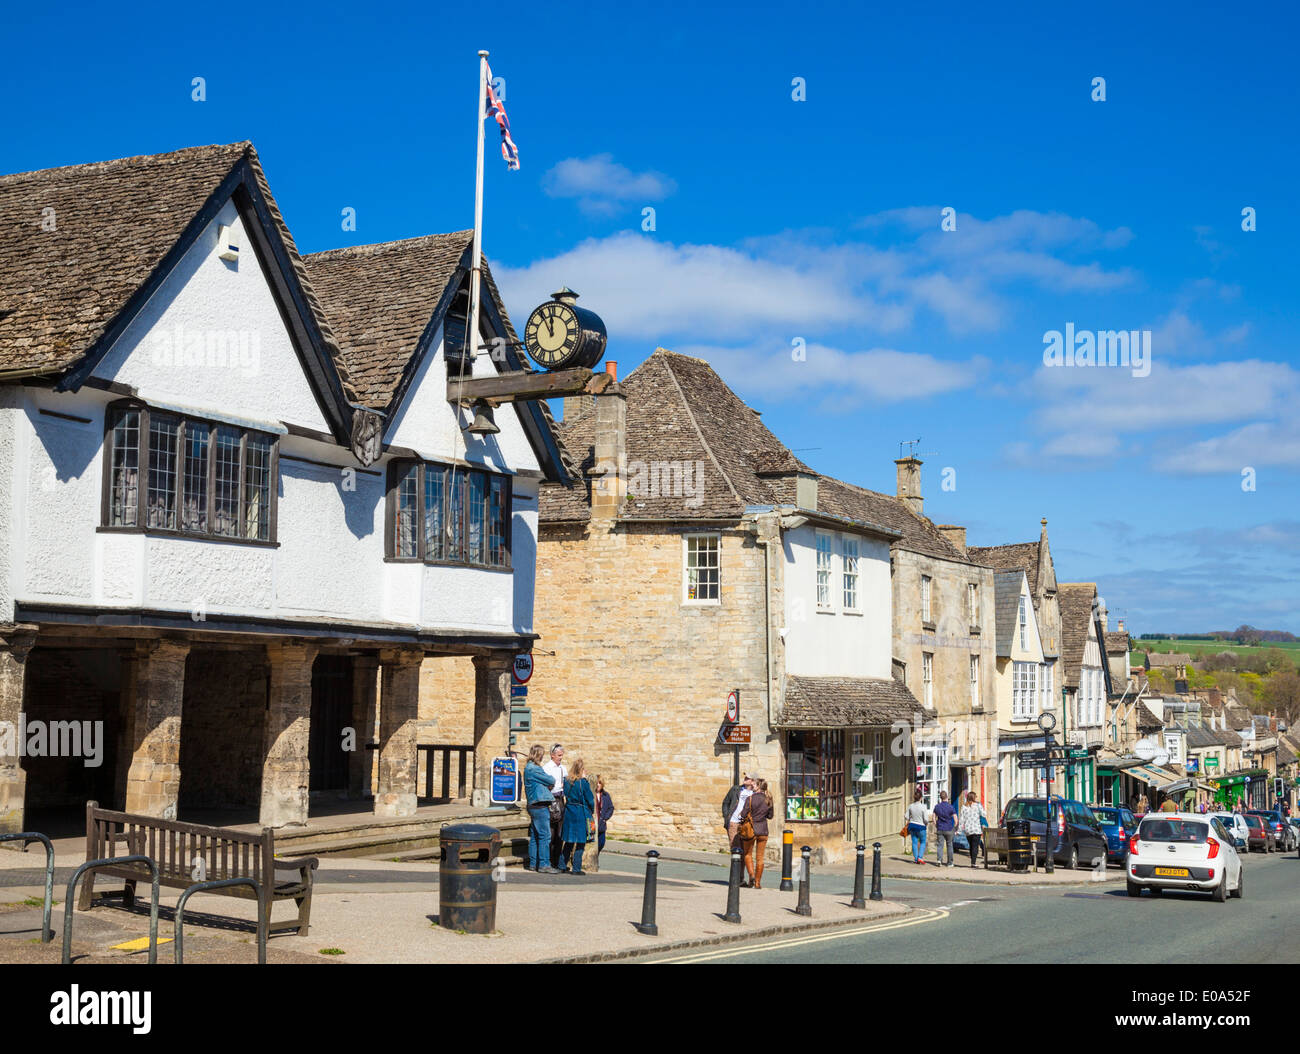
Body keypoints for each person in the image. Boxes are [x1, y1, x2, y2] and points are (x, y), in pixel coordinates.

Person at [523, 745, 558, 873]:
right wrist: (546, 783)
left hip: (533, 805)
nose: (543, 757)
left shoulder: (529, 768)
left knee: (535, 835)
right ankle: (544, 864)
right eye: (542, 754)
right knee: (545, 835)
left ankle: (533, 863)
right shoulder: (535, 769)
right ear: (538, 755)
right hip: (539, 805)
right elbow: (551, 779)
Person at [560, 756, 596, 875]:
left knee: (569, 841)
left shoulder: (566, 781)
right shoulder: (583, 783)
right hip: (580, 812)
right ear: (581, 769)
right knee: (581, 841)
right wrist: (592, 810)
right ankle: (576, 868)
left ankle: (562, 865)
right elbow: (590, 799)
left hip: (569, 811)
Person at [743, 778, 773, 889]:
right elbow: (770, 816)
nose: (753, 785)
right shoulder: (768, 799)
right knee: (760, 858)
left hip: (751, 830)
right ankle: (757, 883)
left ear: (759, 786)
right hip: (763, 830)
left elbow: (743, 814)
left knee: (747, 854)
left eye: (754, 784)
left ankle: (751, 876)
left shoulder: (750, 799)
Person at [543, 744, 567, 868]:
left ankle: (557, 861)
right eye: (559, 755)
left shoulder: (563, 768)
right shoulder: (547, 768)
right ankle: (549, 860)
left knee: (560, 833)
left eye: (562, 755)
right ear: (552, 755)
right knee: (551, 833)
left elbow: (566, 782)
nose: (561, 758)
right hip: (551, 800)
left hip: (560, 799)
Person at [722, 775, 755, 850]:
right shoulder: (735, 789)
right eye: (745, 777)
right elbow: (725, 802)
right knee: (734, 848)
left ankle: (743, 862)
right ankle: (735, 862)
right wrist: (726, 816)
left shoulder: (755, 793)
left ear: (753, 781)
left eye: (748, 778)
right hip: (733, 822)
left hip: (747, 824)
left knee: (746, 849)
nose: (745, 779)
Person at [591, 775, 614, 872]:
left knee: (601, 843)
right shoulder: (591, 794)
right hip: (592, 824)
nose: (598, 785)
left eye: (600, 783)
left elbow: (611, 808)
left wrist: (605, 818)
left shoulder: (605, 795)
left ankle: (596, 858)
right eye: (597, 782)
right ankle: (591, 863)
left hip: (601, 825)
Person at [958, 791, 987, 867]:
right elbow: (984, 814)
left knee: (971, 846)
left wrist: (959, 831)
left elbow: (961, 820)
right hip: (976, 829)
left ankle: (972, 862)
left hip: (968, 830)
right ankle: (973, 863)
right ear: (974, 798)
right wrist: (983, 808)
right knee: (975, 847)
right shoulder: (978, 805)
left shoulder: (964, 807)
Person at [904, 788, 931, 864]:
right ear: (921, 798)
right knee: (923, 842)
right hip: (921, 826)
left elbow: (906, 816)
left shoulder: (911, 806)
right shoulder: (923, 807)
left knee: (914, 842)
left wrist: (911, 818)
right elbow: (926, 819)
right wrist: (926, 823)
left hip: (912, 826)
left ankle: (916, 859)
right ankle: (920, 857)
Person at [933, 790, 957, 866]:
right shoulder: (950, 807)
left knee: (940, 845)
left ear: (940, 798)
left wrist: (936, 824)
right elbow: (956, 819)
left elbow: (933, 817)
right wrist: (955, 827)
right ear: (947, 797)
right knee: (949, 845)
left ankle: (939, 860)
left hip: (940, 828)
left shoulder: (937, 807)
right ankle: (950, 863)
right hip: (949, 828)